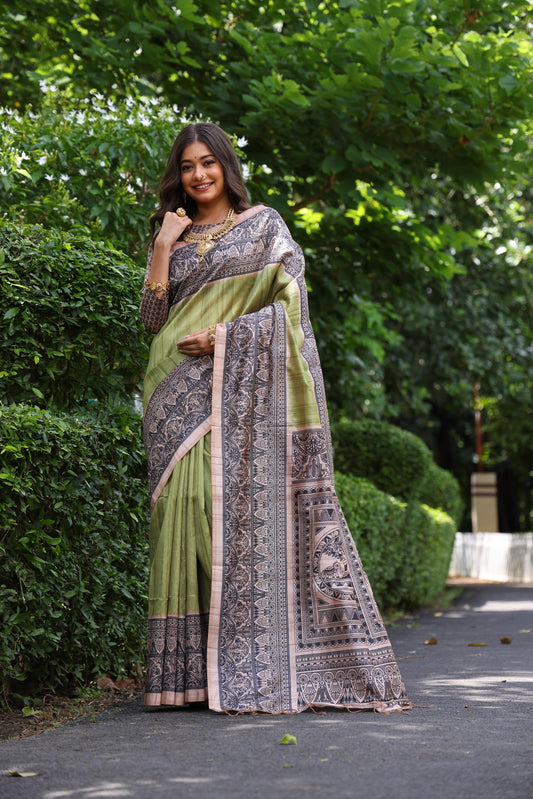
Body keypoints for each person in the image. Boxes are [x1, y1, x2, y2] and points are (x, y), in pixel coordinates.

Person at [140, 122, 411, 714]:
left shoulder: (263, 227)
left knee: (223, 515)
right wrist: (163, 244)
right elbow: (151, 319)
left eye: (208, 163)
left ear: (227, 167)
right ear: (177, 175)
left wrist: (226, 337)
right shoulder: (174, 237)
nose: (199, 175)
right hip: (172, 394)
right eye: (187, 166)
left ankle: (238, 663)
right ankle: (184, 676)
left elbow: (293, 312)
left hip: (232, 384)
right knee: (180, 515)